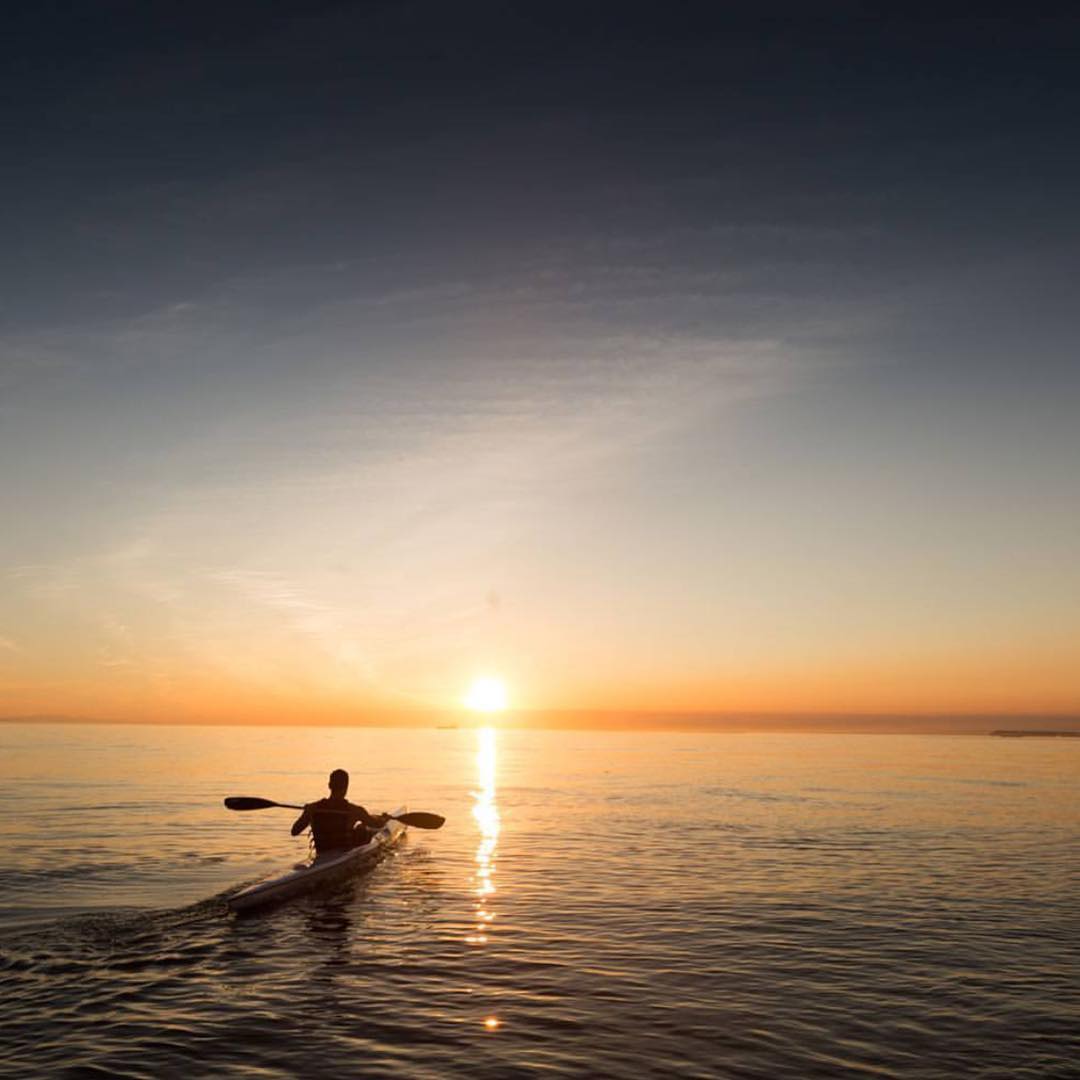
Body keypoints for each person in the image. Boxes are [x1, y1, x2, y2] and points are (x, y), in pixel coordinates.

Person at [291, 769, 388, 854]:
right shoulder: (355, 811)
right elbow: (377, 825)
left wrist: (306, 813)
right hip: (344, 854)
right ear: (346, 788)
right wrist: (384, 819)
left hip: (322, 852)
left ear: (329, 786)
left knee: (360, 828)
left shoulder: (313, 808)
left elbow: (294, 831)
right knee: (362, 829)